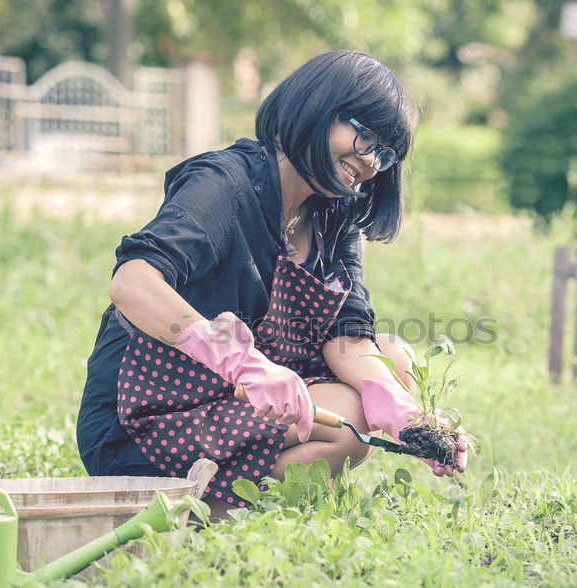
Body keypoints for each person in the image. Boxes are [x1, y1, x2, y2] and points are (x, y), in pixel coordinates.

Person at [76, 50, 468, 521]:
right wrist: (242, 363)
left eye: (383, 154)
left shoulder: (332, 214)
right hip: (145, 416)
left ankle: (236, 506)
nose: (368, 163)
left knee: (392, 359)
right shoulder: (224, 183)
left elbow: (347, 335)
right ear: (318, 106)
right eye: (364, 137)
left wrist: (404, 411)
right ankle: (205, 515)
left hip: (232, 406)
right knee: (347, 418)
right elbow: (133, 282)